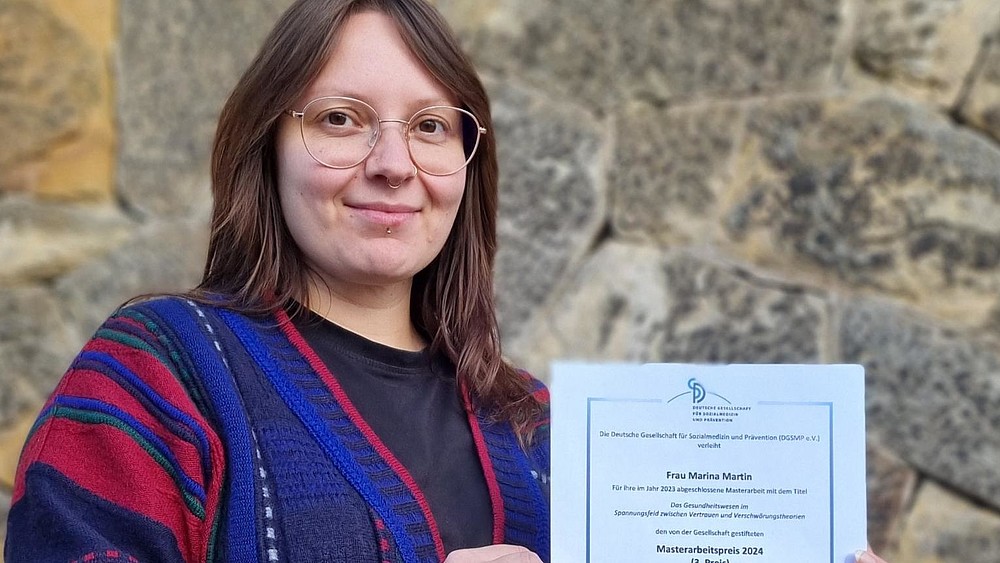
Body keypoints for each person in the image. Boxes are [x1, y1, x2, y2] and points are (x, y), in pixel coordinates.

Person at [3, 1, 888, 562]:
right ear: (263, 149)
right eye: (342, 119)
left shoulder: (546, 433)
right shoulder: (162, 374)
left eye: (431, 126)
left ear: (469, 167)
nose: (394, 163)